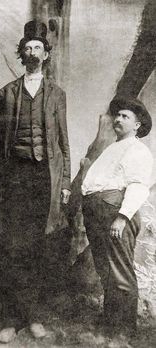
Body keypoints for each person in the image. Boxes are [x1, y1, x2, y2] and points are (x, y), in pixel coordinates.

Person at [0, 20, 71, 343]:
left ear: (46, 54)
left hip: (44, 178)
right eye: (28, 48)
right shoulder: (7, 93)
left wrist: (64, 182)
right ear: (21, 54)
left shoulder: (57, 94)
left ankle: (34, 317)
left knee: (40, 248)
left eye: (39, 47)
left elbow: (64, 141)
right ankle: (11, 320)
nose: (33, 52)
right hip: (14, 178)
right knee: (12, 247)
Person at [81, 97, 154, 336]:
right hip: (98, 213)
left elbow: (139, 185)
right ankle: (111, 325)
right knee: (106, 271)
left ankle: (122, 334)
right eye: (118, 115)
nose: (118, 119)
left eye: (126, 116)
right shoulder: (114, 147)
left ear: (137, 125)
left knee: (120, 273)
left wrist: (122, 217)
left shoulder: (137, 150)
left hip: (116, 214)